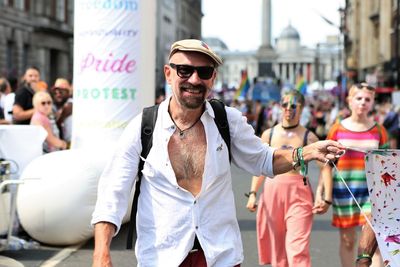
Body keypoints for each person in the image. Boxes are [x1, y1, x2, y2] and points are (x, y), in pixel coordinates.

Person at [91, 39, 345, 267]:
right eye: (184, 70)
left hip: (218, 256)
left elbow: (264, 159)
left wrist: (306, 152)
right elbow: (114, 189)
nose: (194, 79)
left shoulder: (228, 121)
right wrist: (101, 253)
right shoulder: (143, 126)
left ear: (213, 78)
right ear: (168, 74)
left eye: (204, 72)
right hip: (162, 256)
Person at [246, 90, 331, 267]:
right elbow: (261, 166)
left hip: (298, 193)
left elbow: (325, 167)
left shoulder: (309, 137)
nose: (288, 109)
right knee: (278, 250)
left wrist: (325, 196)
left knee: (297, 248)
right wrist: (253, 193)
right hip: (272, 193)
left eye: (294, 106)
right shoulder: (268, 134)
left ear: (301, 109)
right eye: (284, 105)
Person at [320, 82, 389, 267]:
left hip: (372, 194)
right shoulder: (337, 129)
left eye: (367, 99)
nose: (363, 103)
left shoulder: (379, 131)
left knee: (372, 244)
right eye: (358, 98)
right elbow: (326, 163)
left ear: (373, 102)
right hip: (344, 191)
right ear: (349, 101)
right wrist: (323, 193)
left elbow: (386, 166)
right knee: (348, 241)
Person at [50, 78, 73, 145]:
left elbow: (58, 121)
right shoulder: (52, 105)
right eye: (55, 91)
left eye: (61, 91)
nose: (58, 94)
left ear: (68, 91)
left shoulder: (71, 103)